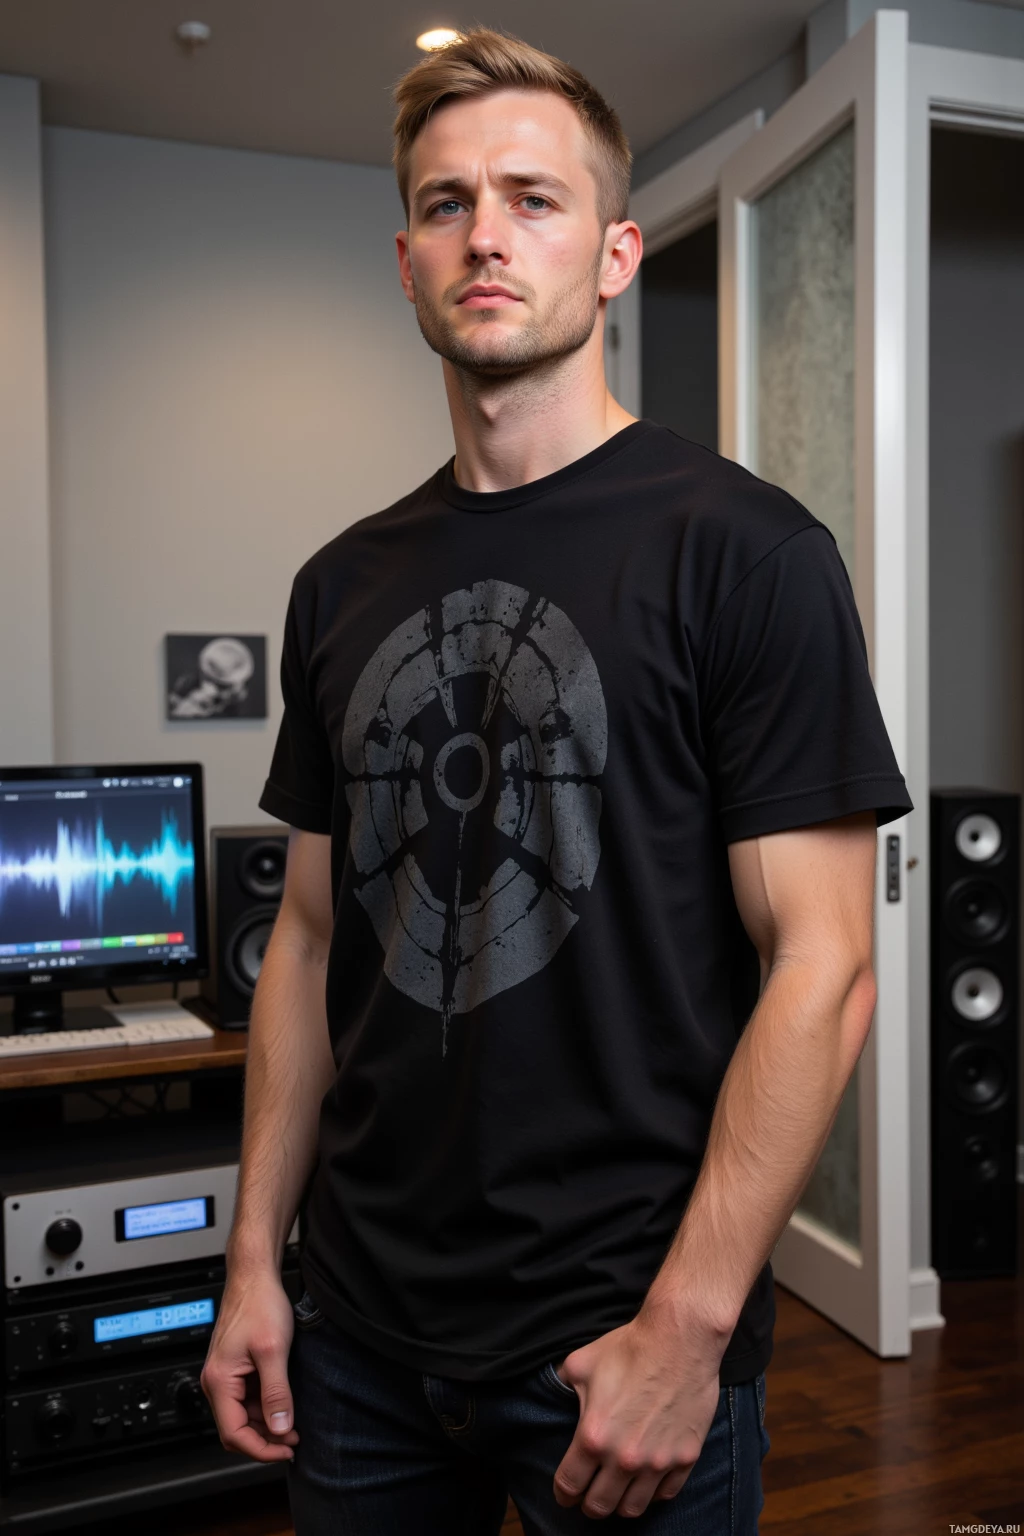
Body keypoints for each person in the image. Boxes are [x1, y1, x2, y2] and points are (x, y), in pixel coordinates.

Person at [200, 28, 913, 1533]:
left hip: (622, 1343)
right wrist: (258, 1261)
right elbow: (315, 946)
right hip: (363, 1342)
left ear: (613, 253)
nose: (486, 234)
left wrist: (691, 1328)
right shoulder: (340, 585)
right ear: (406, 262)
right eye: (448, 203)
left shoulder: (749, 555)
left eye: (533, 197)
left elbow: (827, 964)